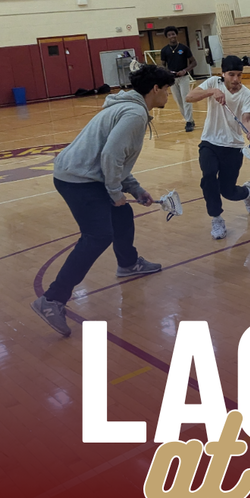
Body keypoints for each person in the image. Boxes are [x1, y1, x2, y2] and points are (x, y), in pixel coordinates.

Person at [31, 64, 175, 338]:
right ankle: (52, 301)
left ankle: (127, 263)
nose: (168, 95)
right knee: (97, 236)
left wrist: (134, 189)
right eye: (167, 90)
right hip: (78, 180)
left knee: (121, 216)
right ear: (155, 89)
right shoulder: (134, 114)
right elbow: (110, 157)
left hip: (80, 175)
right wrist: (115, 192)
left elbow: (115, 159)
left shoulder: (127, 107)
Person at [185, 55, 250, 240]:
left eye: (239, 75)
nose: (235, 79)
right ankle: (216, 218)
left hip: (233, 146)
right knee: (208, 176)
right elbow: (189, 97)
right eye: (231, 74)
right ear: (222, 74)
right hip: (210, 142)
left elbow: (246, 119)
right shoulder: (213, 82)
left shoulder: (247, 94)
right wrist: (211, 92)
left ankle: (247, 192)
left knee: (228, 191)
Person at [160, 25, 197, 132]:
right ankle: (188, 120)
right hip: (172, 79)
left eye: (173, 34)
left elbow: (194, 62)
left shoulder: (184, 48)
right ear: (167, 37)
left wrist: (185, 70)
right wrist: (168, 72)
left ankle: (189, 121)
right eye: (169, 35)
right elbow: (163, 65)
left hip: (184, 78)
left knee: (186, 99)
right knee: (178, 101)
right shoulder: (164, 50)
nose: (172, 36)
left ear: (176, 34)